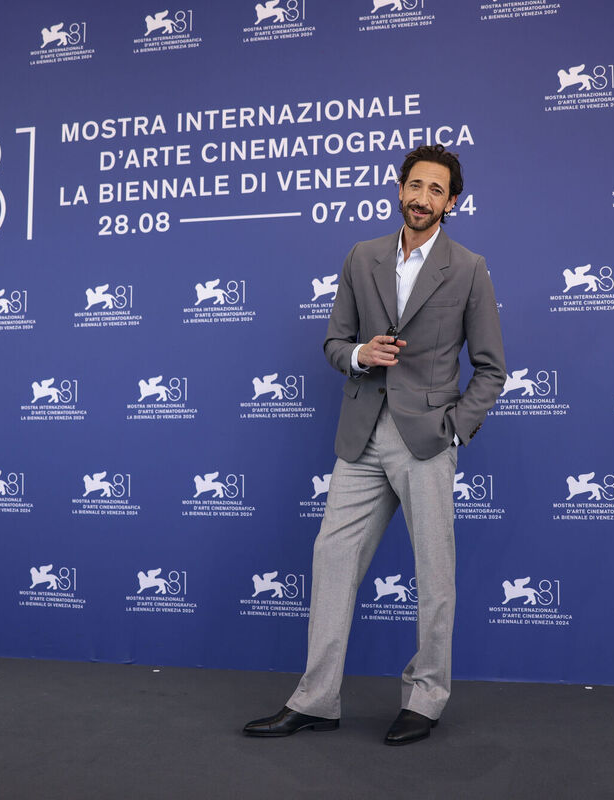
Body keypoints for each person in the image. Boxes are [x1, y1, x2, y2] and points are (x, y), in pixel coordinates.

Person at [243, 145, 506, 746]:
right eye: (415, 185)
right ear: (399, 189)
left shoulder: (468, 268)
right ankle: (315, 699)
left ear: (452, 203)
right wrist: (360, 355)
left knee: (434, 574)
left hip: (426, 439)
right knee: (332, 559)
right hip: (360, 433)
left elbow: (491, 368)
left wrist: (455, 427)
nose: (422, 198)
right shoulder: (362, 257)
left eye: (436, 190)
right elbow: (336, 342)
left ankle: (426, 699)